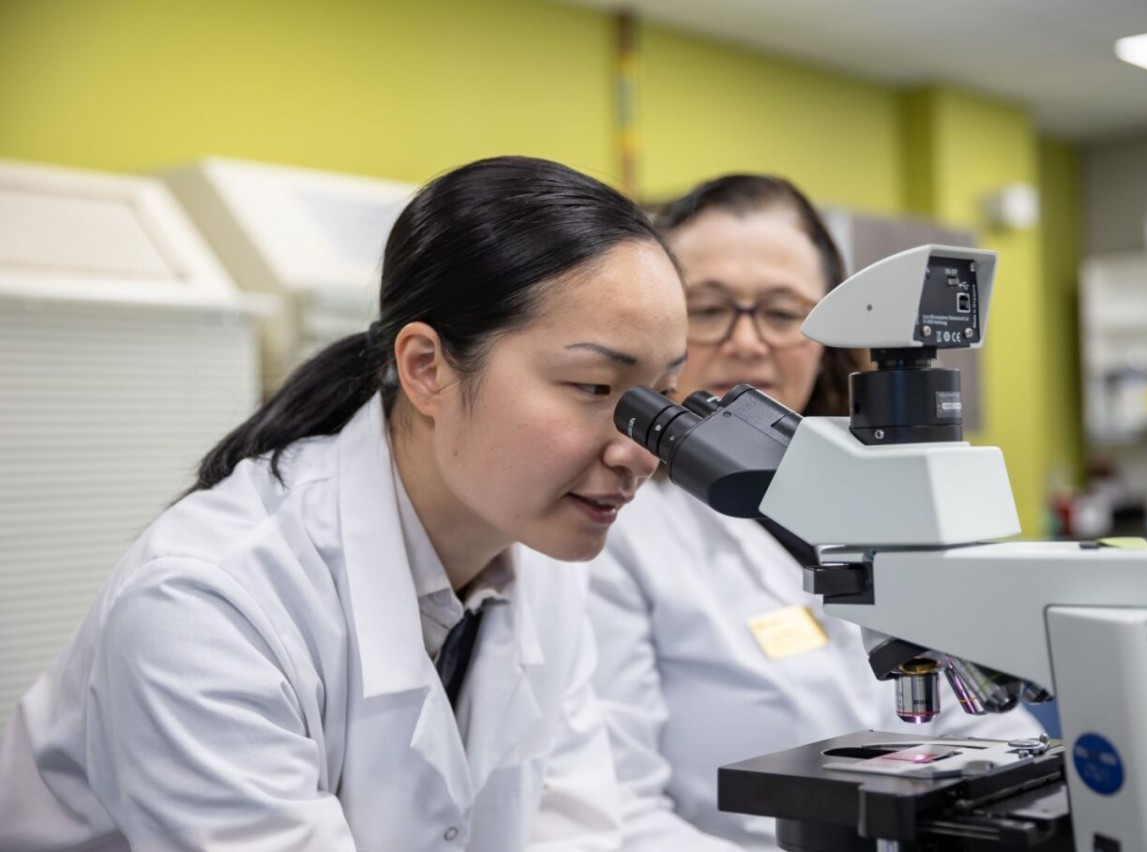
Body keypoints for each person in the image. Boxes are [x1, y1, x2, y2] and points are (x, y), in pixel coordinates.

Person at [0, 156, 688, 851]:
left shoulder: (538, 563)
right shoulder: (205, 602)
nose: (641, 450)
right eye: (596, 388)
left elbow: (571, 833)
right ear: (426, 369)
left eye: (663, 397)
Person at [567, 175, 1043, 850]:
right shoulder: (618, 538)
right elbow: (621, 814)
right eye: (707, 308)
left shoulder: (897, 497)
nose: (747, 342)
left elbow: (992, 731)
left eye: (783, 311)